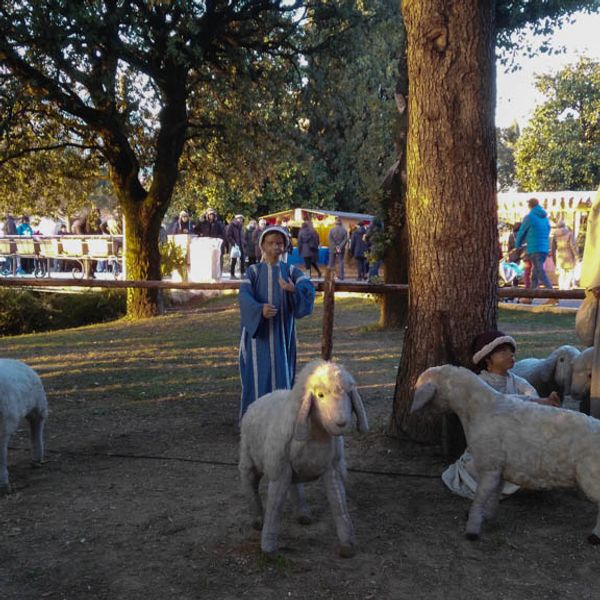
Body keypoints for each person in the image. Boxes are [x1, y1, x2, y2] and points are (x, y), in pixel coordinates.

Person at [442, 330, 560, 499]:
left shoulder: (517, 381)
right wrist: (538, 401)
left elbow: (531, 399)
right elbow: (496, 402)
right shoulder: (479, 383)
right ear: (487, 358)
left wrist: (546, 405)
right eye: (503, 351)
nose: (510, 354)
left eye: (511, 350)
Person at [238, 226, 315, 419]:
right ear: (262, 245)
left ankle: (281, 418)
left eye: (279, 243)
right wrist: (259, 310)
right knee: (258, 373)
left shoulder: (290, 271)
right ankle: (254, 418)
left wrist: (293, 289)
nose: (275, 247)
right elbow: (244, 296)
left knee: (282, 371)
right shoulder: (253, 271)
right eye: (271, 243)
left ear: (285, 246)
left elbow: (307, 287)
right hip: (259, 336)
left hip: (282, 333)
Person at [515, 198, 555, 305]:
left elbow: (522, 232)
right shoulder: (545, 218)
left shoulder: (529, 217)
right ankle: (530, 298)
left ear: (529, 206)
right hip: (544, 248)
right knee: (535, 274)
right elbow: (547, 230)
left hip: (534, 248)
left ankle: (553, 295)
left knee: (540, 272)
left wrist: (517, 245)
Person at [551, 219, 578, 291]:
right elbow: (573, 246)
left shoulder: (555, 235)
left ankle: (561, 287)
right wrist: (576, 255)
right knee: (569, 272)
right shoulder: (569, 234)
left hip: (559, 256)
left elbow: (553, 248)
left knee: (562, 272)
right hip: (569, 255)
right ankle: (566, 287)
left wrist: (554, 258)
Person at [226, 214, 245, 279]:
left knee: (242, 259)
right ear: (236, 219)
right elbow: (228, 235)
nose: (240, 220)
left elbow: (242, 236)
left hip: (241, 245)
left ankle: (242, 274)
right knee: (234, 260)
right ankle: (232, 275)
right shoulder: (231, 225)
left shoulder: (241, 226)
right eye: (239, 218)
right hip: (234, 246)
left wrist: (244, 243)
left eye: (241, 219)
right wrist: (234, 244)